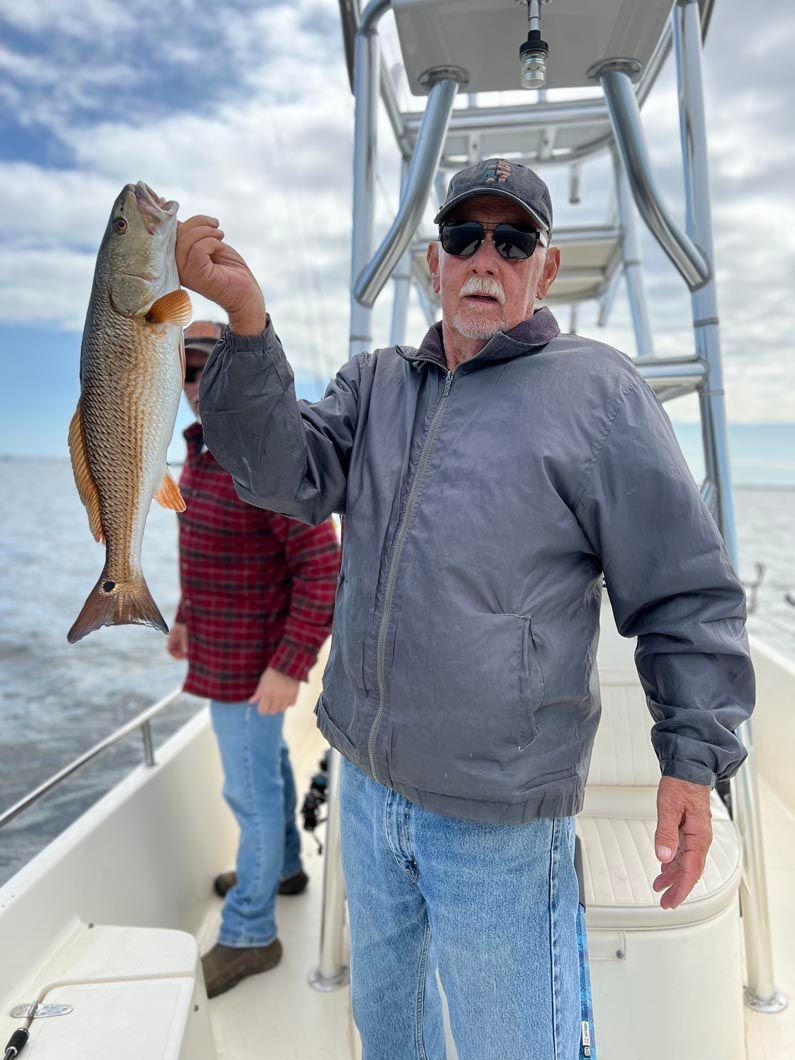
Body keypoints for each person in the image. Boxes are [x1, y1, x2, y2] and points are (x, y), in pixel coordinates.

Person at [175, 160, 754, 1057]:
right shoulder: (374, 385)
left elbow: (683, 593)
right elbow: (280, 473)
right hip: (367, 792)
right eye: (463, 237)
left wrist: (691, 760)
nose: (485, 258)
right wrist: (246, 327)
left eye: (512, 240)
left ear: (543, 269)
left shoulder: (598, 394)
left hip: (499, 822)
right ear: (433, 263)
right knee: (391, 1036)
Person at [167, 319, 341, 999]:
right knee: (264, 773)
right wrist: (184, 617)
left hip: (254, 667)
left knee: (248, 794)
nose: (194, 383)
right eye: (184, 370)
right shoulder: (202, 451)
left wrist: (289, 664)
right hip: (222, 649)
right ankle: (286, 870)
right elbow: (217, 552)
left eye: (208, 367)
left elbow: (320, 564)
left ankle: (249, 935)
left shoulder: (257, 457)